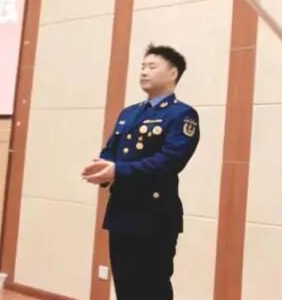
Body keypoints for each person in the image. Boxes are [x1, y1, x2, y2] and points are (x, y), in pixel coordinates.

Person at [81, 44, 200, 300]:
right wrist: (103, 167)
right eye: (142, 66)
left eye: (152, 67)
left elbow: (169, 161)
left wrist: (118, 170)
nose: (144, 71)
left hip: (155, 216)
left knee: (152, 288)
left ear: (173, 73)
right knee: (125, 287)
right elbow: (111, 149)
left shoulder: (182, 114)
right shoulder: (129, 113)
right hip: (122, 212)